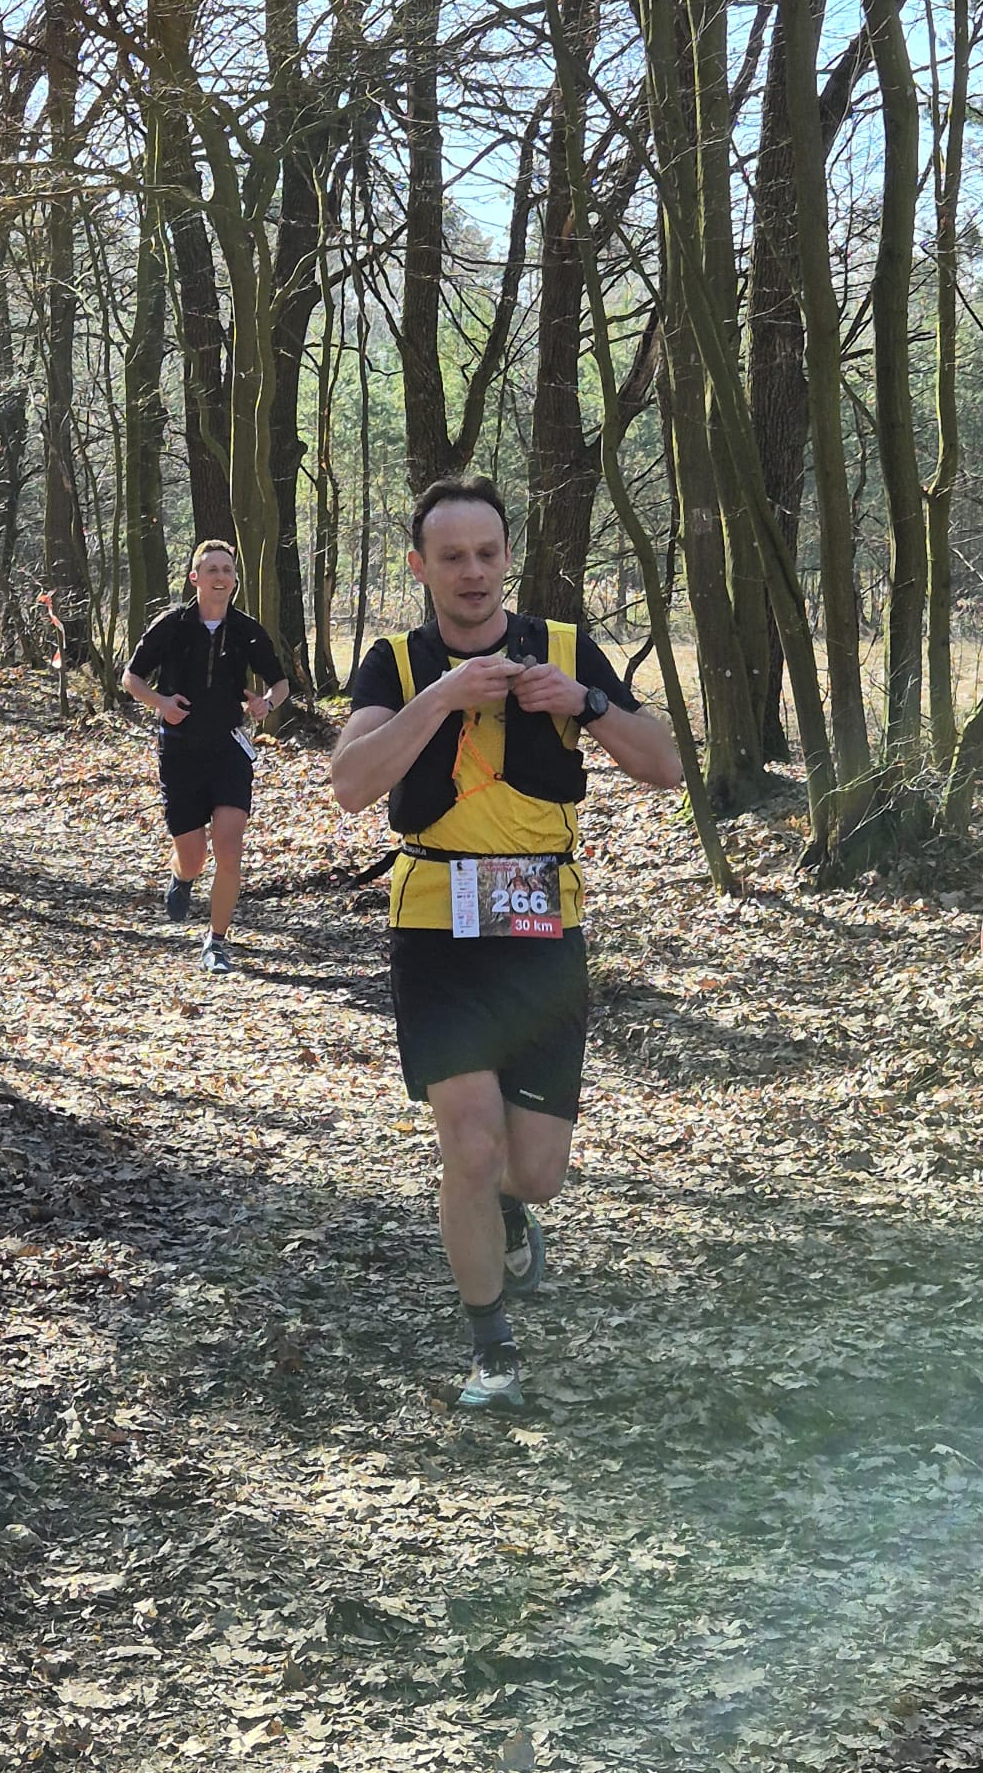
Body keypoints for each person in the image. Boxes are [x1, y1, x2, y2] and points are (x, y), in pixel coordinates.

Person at [331, 476, 682, 1410]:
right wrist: (443, 697)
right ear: (420, 568)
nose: (473, 572)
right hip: (435, 926)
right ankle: (491, 1347)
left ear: (507, 558)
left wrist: (589, 704)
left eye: (487, 554)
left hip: (540, 929)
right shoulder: (396, 664)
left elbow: (665, 768)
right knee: (470, 1143)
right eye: (452, 557)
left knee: (534, 1171)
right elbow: (351, 785)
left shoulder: (563, 649)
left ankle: (514, 1211)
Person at [123, 539, 290, 972]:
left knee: (229, 848)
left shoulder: (247, 629)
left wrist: (266, 704)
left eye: (227, 570)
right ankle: (182, 876)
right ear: (195, 578)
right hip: (180, 751)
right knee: (194, 856)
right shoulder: (172, 624)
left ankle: (216, 942)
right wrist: (161, 703)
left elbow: (280, 683)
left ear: (235, 581)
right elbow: (131, 678)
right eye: (212, 569)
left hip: (228, 750)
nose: (221, 577)